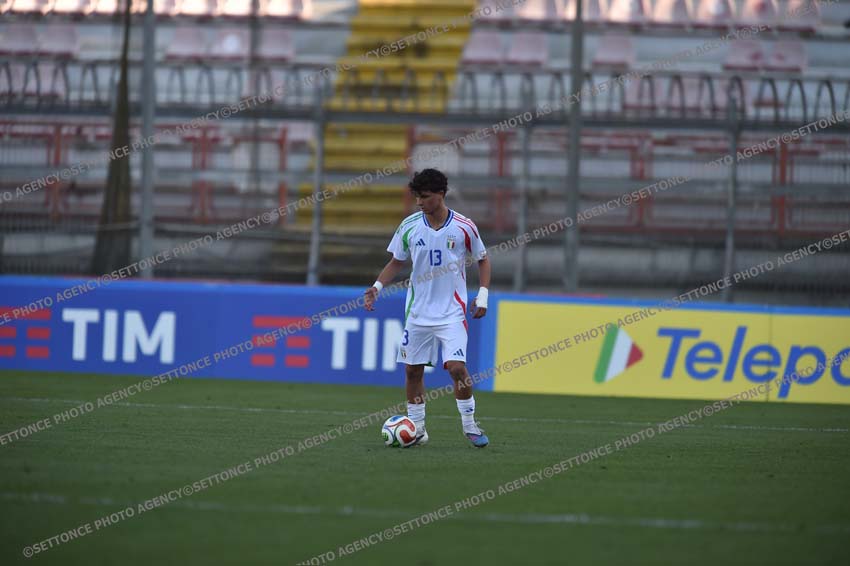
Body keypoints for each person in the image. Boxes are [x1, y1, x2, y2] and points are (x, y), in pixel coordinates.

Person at [364, 169, 491, 447]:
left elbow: (482, 258)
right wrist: (377, 287)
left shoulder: (464, 226)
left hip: (451, 312)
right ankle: (417, 429)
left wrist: (482, 295)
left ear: (441, 194)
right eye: (417, 197)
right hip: (418, 313)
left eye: (425, 197)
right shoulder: (409, 226)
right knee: (413, 370)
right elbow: (396, 261)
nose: (419, 202)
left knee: (456, 368)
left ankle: (469, 425)